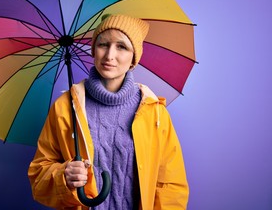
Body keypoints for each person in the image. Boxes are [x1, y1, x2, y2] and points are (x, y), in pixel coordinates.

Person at [28, 14, 189, 209]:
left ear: (133, 59)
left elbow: (171, 185)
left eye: (121, 47)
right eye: (103, 44)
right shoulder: (65, 107)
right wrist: (64, 176)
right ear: (94, 50)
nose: (109, 55)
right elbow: (39, 176)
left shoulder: (154, 113)